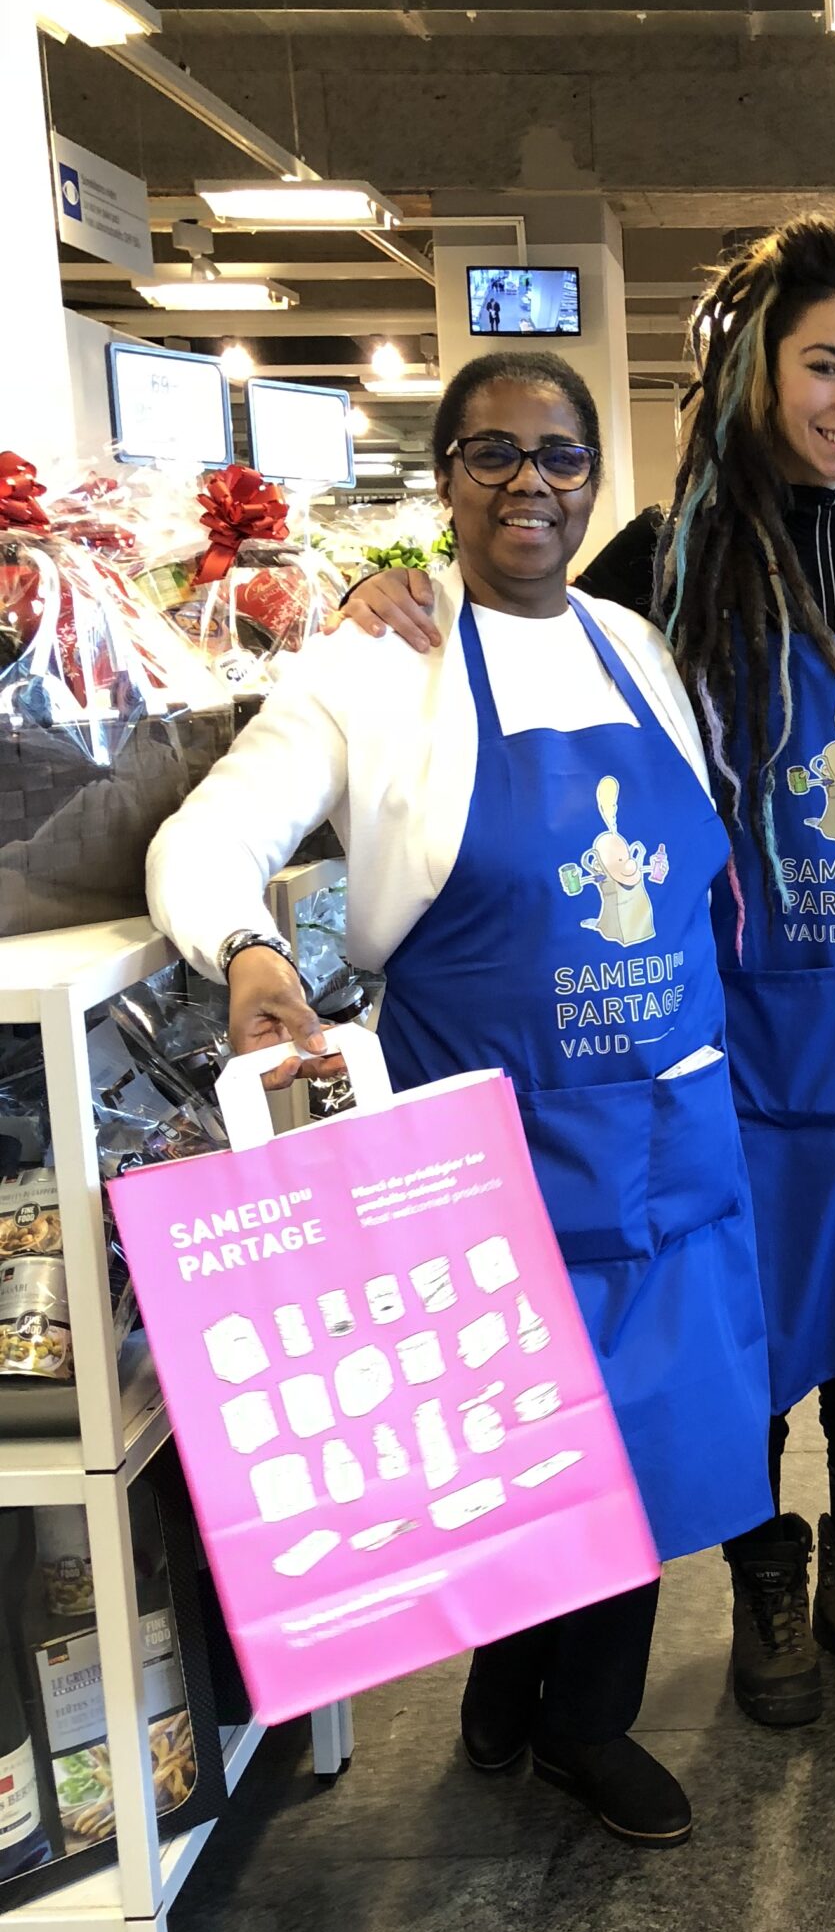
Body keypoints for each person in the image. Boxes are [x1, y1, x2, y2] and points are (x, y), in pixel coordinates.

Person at [343, 216, 835, 1730]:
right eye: (824, 365)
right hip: (727, 1031)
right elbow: (513, 614)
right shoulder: (660, 565)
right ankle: (766, 1571)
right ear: (759, 372)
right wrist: (385, 596)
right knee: (735, 1321)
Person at [148, 351, 773, 1844]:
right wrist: (244, 953)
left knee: (647, 1435)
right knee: (508, 1426)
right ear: (444, 477)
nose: (528, 484)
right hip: (486, 1143)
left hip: (666, 1129)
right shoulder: (376, 668)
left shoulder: (637, 648)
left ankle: (577, 1719)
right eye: (492, 453)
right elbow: (205, 839)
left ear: (594, 481)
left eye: (560, 457)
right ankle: (523, 1682)